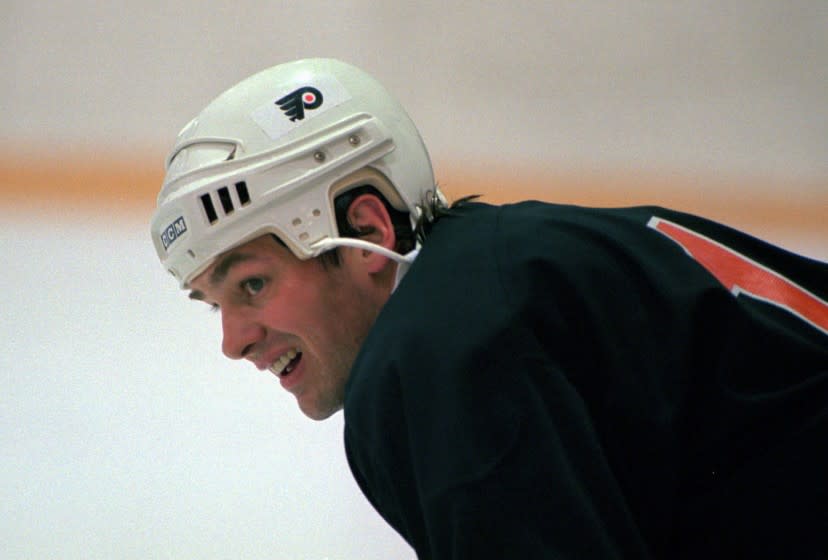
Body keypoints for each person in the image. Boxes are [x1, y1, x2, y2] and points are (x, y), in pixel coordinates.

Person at [150, 58, 828, 559]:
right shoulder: (500, 269)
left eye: (253, 286)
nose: (233, 341)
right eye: (214, 305)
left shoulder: (442, 356)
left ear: (368, 233)